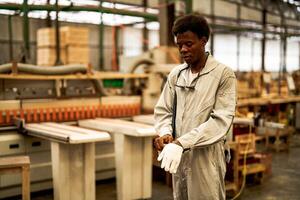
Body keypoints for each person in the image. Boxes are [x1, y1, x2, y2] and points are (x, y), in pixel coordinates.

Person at [154, 13, 237, 200]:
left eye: (188, 44)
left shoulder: (223, 75)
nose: (183, 49)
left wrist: (182, 143)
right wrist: (165, 133)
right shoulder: (176, 75)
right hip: (178, 155)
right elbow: (164, 110)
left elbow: (220, 122)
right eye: (179, 45)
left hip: (206, 158)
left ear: (203, 41)